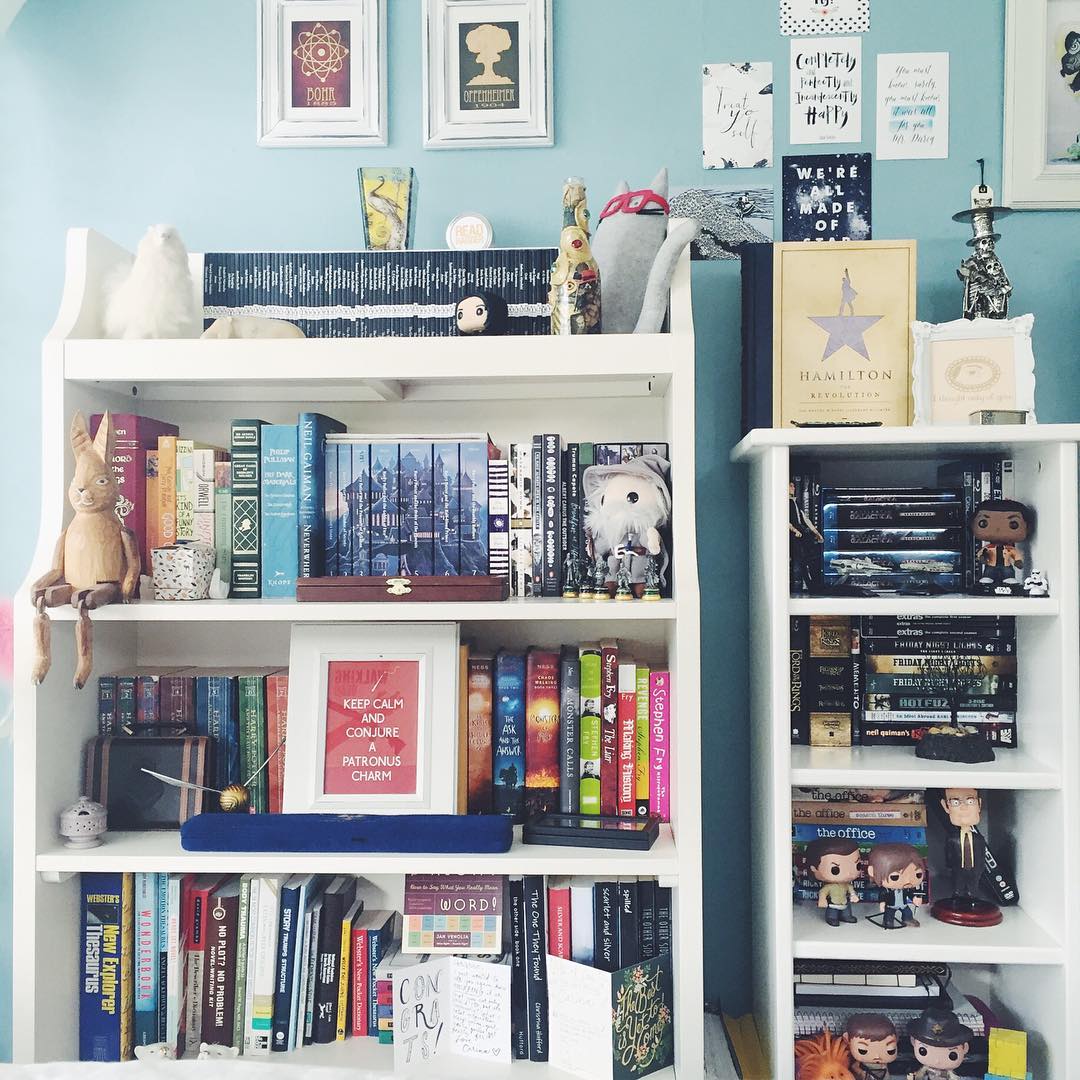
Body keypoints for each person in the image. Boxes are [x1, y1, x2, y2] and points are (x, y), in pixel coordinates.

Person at [940, 788, 987, 904]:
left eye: (970, 801)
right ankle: (957, 896)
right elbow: (948, 853)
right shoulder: (952, 838)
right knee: (958, 885)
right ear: (946, 806)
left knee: (973, 885)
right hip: (957, 868)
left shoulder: (979, 839)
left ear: (979, 804)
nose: (963, 807)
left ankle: (972, 897)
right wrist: (949, 865)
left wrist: (981, 868)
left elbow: (981, 854)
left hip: (975, 869)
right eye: (955, 802)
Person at [866, 843, 927, 929]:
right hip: (891, 905)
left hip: (903, 905)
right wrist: (882, 903)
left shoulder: (906, 888)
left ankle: (908, 919)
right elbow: (883, 895)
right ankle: (888, 921)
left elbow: (910, 893)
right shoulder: (887, 890)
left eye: (918, 875)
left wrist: (914, 898)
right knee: (889, 915)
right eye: (895, 877)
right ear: (872, 872)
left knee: (908, 913)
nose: (907, 881)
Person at [804, 837, 861, 926]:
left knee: (847, 911)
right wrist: (822, 899)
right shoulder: (828, 887)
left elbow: (851, 890)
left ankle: (846, 916)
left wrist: (853, 895)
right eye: (835, 869)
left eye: (858, 865)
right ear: (814, 868)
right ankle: (831, 918)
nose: (849, 873)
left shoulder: (847, 885)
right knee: (832, 913)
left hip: (845, 902)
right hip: (833, 904)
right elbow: (822, 892)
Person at [906, 1008, 973, 1080]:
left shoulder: (960, 1074)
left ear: (965, 1048)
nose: (937, 1061)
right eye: (923, 1051)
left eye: (952, 1055)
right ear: (913, 1042)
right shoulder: (920, 1073)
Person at [789, 481, 823, 592]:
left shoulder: (795, 502)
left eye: (793, 486)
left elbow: (805, 518)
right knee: (798, 559)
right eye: (790, 486)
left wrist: (816, 533)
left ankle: (812, 584)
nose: (793, 488)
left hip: (801, 532)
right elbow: (784, 519)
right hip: (793, 535)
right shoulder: (784, 503)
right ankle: (798, 584)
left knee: (807, 558)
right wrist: (794, 530)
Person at [846, 1013, 899, 1080]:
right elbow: (855, 1068)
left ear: (897, 1038)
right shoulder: (858, 1065)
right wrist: (860, 1072)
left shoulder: (884, 1065)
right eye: (863, 1051)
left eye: (890, 1051)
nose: (877, 1056)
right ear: (847, 1040)